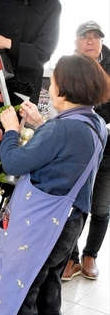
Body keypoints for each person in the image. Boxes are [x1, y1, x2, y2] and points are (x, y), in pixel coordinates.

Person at [0, 54, 110, 315]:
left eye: (53, 82)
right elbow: (65, 155)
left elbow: (13, 163)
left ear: (64, 88)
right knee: (46, 296)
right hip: (70, 225)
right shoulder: (94, 124)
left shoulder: (62, 130)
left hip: (45, 226)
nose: (49, 87)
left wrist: (11, 129)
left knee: (18, 298)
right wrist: (41, 124)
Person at [62, 21, 110, 281]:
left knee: (100, 205)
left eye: (96, 37)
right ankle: (71, 257)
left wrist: (86, 114)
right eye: (85, 37)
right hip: (78, 145)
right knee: (74, 202)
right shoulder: (67, 66)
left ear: (101, 42)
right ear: (76, 42)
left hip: (108, 145)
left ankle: (90, 255)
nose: (91, 41)